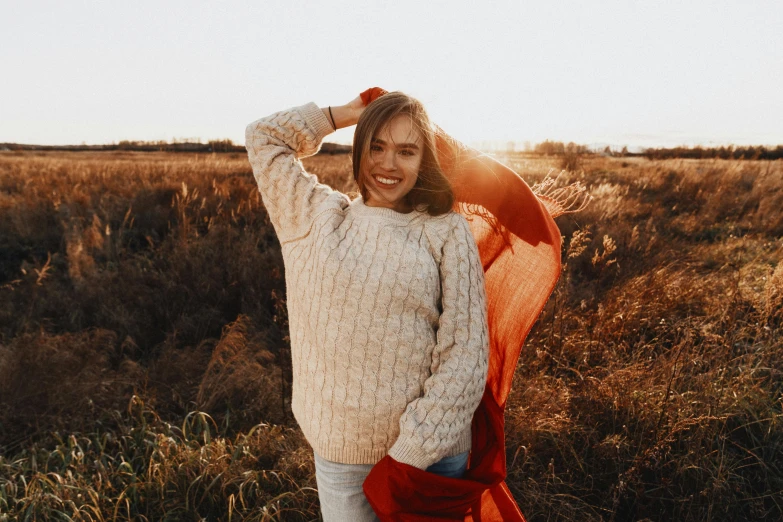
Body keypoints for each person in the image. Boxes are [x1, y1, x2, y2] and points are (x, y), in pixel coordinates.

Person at [245, 90, 490, 521]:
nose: (388, 164)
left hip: (432, 460)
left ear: (423, 160)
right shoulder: (313, 216)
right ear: (359, 149)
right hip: (344, 459)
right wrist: (344, 114)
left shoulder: (445, 230)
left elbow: (466, 353)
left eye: (406, 150)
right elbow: (263, 136)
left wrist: (410, 452)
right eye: (376, 145)